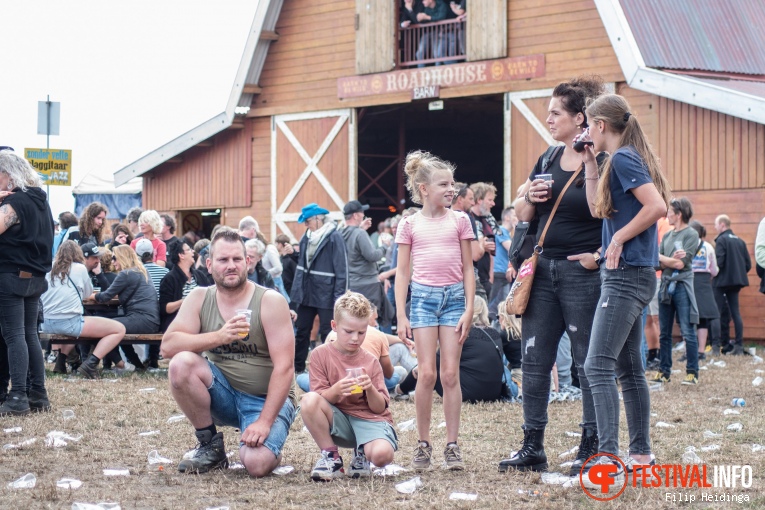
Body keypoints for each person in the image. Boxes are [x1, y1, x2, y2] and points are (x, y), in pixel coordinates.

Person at [499, 77, 606, 475]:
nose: (548, 118)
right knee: (534, 360)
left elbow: (609, 215)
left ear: (580, 118)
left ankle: (590, 444)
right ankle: (532, 445)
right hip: (541, 273)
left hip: (582, 274)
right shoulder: (546, 158)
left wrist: (597, 256)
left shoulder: (603, 159)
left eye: (555, 112)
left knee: (586, 363)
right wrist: (529, 197)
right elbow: (524, 216)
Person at [580, 93, 670, 488]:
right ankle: (641, 456)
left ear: (600, 125)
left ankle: (609, 459)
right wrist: (587, 162)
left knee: (596, 365)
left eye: (587, 124)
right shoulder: (615, 159)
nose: (584, 131)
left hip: (626, 274)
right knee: (629, 369)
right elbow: (597, 209)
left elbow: (657, 207)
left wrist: (616, 240)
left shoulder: (624, 158)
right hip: (633, 274)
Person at [161, 228, 297, 477]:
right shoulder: (200, 297)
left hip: (265, 400)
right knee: (181, 363)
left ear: (248, 262)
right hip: (222, 393)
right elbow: (168, 347)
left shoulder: (270, 301)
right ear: (210, 265)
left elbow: (285, 368)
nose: (231, 266)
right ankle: (210, 446)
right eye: (223, 260)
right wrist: (219, 337)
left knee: (256, 464)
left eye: (237, 259)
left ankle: (272, 448)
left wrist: (265, 422)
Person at [395, 150, 475, 471]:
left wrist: (470, 308)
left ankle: (452, 445)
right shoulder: (409, 224)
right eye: (444, 184)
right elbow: (402, 272)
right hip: (424, 300)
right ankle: (424, 444)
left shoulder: (461, 220)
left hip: (455, 299)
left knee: (450, 374)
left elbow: (469, 268)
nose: (451, 189)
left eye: (452, 183)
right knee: (426, 373)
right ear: (424, 188)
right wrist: (401, 314)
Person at [301, 291, 397, 481]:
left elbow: (379, 408)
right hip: (339, 420)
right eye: (349, 331)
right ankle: (331, 458)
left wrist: (369, 388)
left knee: (382, 456)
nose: (355, 338)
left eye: (361, 333)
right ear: (334, 326)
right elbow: (319, 400)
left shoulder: (370, 361)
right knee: (308, 399)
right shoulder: (320, 355)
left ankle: (362, 453)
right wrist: (336, 391)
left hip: (369, 420)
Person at [0, 149, 55, 416]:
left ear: (8, 176)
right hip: (35, 278)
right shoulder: (40, 201)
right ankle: (38, 394)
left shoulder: (15, 203)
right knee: (29, 334)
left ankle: (18, 396)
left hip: (10, 276)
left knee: (14, 335)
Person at [395, 296, 506, 403]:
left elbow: (434, 362)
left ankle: (398, 391)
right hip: (494, 393)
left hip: (466, 393)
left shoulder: (462, 334)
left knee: (425, 368)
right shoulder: (495, 334)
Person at [40, 241, 125, 379]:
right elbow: (87, 294)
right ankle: (91, 364)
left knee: (75, 325)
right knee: (119, 329)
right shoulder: (79, 268)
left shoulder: (48, 268)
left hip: (46, 323)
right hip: (70, 322)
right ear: (78, 254)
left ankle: (61, 363)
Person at [290, 203, 349, 373]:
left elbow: (341, 269)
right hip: (307, 293)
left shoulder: (334, 237)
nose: (305, 225)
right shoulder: (306, 237)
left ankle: (328, 369)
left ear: (317, 219)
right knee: (301, 331)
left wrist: (338, 298)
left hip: (326, 293)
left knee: (327, 333)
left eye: (307, 221)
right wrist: (293, 255)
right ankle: (297, 368)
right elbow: (305, 262)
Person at [653, 197, 700, 385]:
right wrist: (667, 259)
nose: (667, 215)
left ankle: (692, 372)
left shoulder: (691, 235)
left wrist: (664, 259)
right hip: (666, 286)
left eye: (670, 212)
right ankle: (664, 372)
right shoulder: (667, 236)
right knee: (664, 333)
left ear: (679, 214)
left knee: (687, 331)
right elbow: (656, 263)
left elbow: (681, 264)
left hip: (682, 287)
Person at [93, 245, 160, 371]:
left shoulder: (126, 273)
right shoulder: (141, 271)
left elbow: (106, 296)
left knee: (104, 327)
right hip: (151, 320)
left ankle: (110, 363)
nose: (113, 261)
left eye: (114, 258)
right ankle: (137, 365)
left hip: (141, 319)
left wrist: (93, 296)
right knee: (118, 327)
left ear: (122, 258)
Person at [341, 200, 393, 327]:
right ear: (355, 215)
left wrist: (360, 228)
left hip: (352, 284)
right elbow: (372, 256)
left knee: (356, 320)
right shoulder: (360, 234)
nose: (363, 214)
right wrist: (385, 247)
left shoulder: (341, 233)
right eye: (361, 212)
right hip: (368, 284)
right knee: (371, 321)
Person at [713, 215, 751, 355]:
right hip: (736, 282)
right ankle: (739, 346)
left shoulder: (721, 240)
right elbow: (748, 264)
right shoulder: (740, 241)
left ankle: (717, 346)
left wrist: (713, 273)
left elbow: (719, 262)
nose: (715, 227)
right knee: (735, 313)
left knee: (716, 313)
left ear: (722, 225)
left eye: (716, 225)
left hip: (721, 282)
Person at [159, 239, 211, 333]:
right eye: (189, 249)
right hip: (180, 324)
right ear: (181, 255)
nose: (193, 252)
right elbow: (164, 308)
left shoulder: (199, 275)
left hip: (202, 322)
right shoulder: (169, 278)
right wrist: (187, 300)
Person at [688, 220, 719, 361]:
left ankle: (688, 351)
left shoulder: (686, 245)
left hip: (688, 281)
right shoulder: (708, 247)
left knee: (686, 317)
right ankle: (701, 351)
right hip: (705, 283)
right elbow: (715, 270)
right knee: (703, 318)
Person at [468, 182, 499, 299]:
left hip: (485, 278)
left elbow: (491, 250)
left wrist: (491, 276)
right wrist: (482, 245)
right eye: (490, 200)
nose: (493, 203)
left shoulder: (488, 220)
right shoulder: (467, 218)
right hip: (472, 275)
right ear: (479, 200)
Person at [487, 206, 517, 319]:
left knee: (501, 305)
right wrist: (517, 228)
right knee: (495, 306)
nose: (517, 218)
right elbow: (512, 249)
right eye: (514, 215)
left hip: (503, 273)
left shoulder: (507, 234)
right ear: (507, 217)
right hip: (498, 272)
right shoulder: (500, 231)